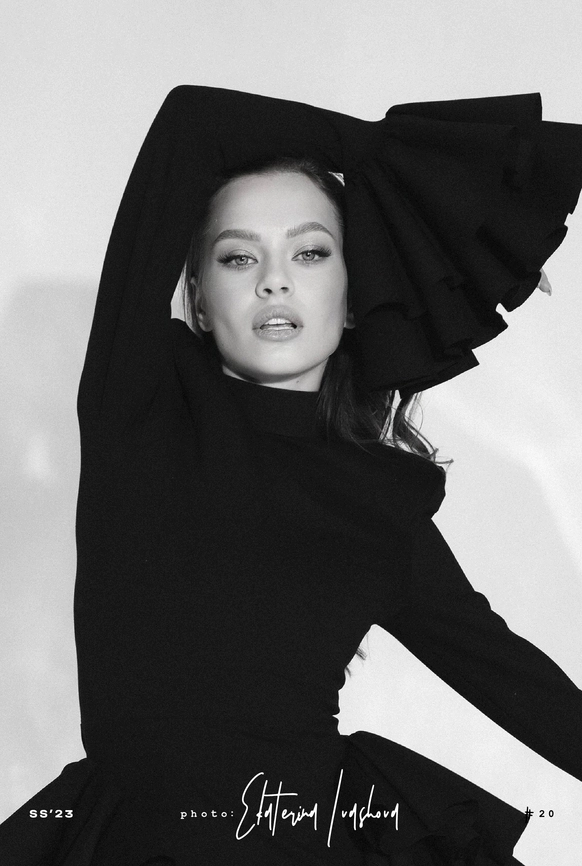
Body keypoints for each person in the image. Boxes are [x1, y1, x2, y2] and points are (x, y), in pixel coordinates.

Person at [1, 85, 582, 866]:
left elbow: (517, 682)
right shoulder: (136, 408)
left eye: (309, 252)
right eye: (239, 256)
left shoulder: (378, 508)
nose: (274, 281)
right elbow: (190, 123)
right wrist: (372, 153)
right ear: (197, 297)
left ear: (356, 296)